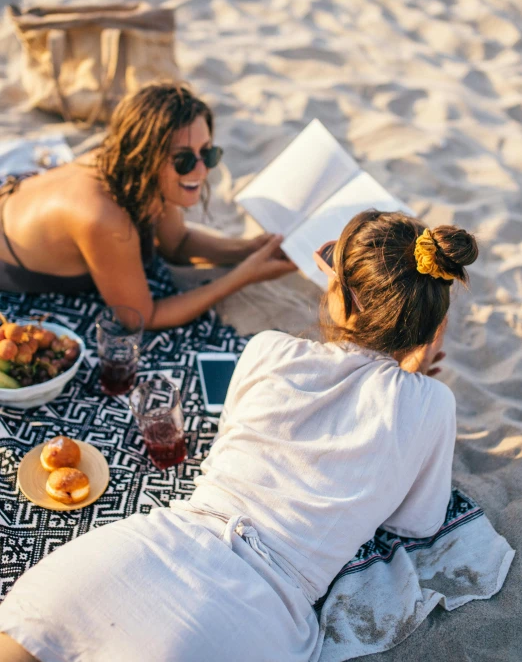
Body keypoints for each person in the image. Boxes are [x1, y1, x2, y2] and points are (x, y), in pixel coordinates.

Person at [0, 209, 478, 662]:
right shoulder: (431, 405)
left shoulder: (268, 349)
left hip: (146, 550)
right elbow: (417, 522)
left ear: (343, 296)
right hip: (254, 611)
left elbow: (233, 440)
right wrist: (411, 376)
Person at [0, 82, 295, 328]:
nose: (202, 170)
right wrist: (243, 276)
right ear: (146, 156)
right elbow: (141, 317)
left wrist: (248, 250)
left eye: (208, 153)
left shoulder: (138, 173)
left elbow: (177, 244)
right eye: (184, 160)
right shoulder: (104, 218)